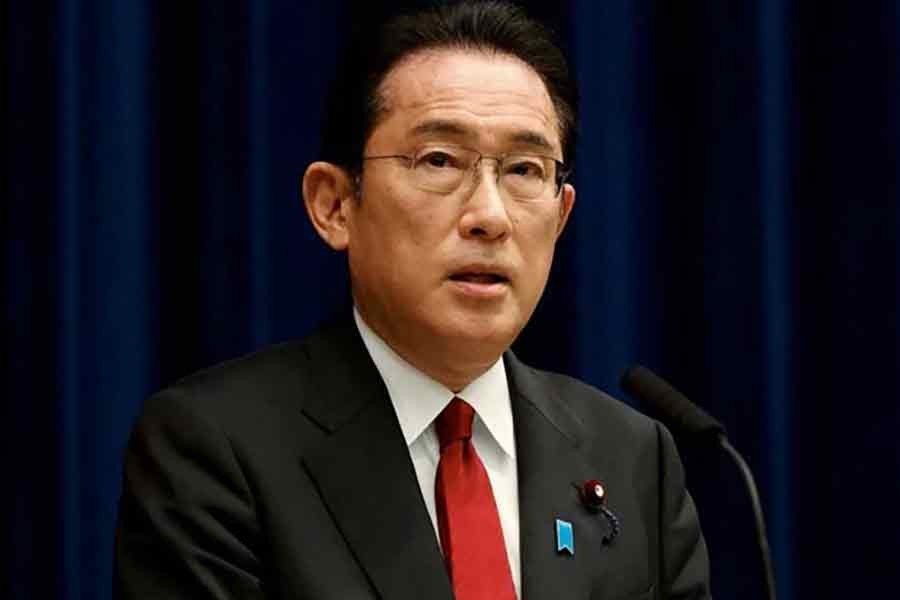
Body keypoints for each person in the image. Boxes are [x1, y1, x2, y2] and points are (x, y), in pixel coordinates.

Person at [114, 2, 711, 599]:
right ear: (334, 204)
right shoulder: (215, 449)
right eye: (439, 161)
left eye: (524, 170)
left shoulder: (633, 460)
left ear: (561, 216)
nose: (489, 216)